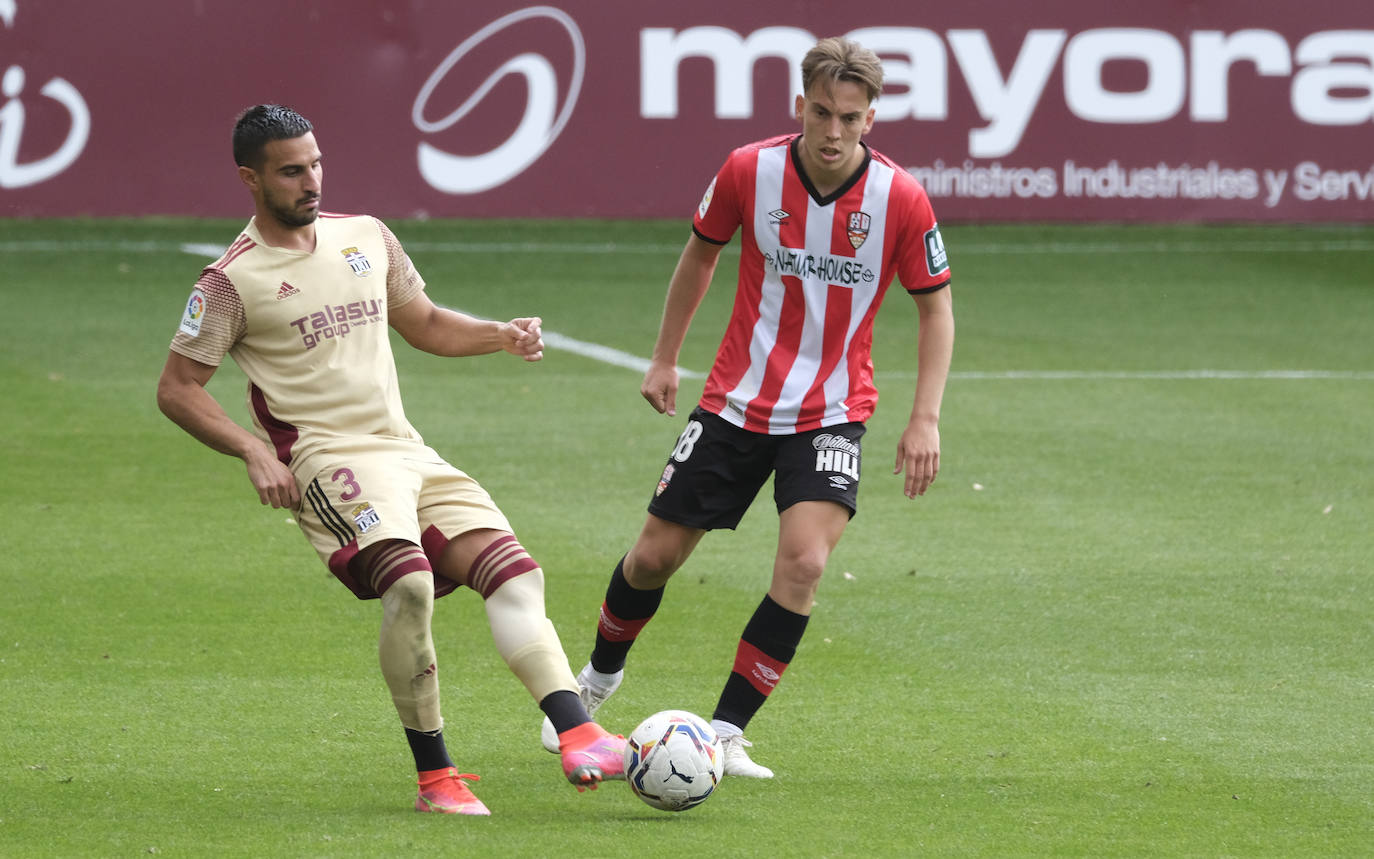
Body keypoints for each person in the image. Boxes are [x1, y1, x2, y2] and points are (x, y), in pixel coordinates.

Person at [156, 104, 624, 816]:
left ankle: (579, 731)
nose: (309, 180)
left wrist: (499, 335)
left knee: (517, 574)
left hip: (406, 449)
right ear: (250, 179)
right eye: (290, 170)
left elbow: (427, 323)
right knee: (409, 586)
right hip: (327, 458)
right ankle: (437, 777)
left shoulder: (366, 236)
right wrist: (253, 449)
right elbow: (177, 387)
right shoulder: (229, 281)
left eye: (314, 163)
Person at [540, 37, 955, 778]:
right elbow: (700, 253)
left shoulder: (900, 198)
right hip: (736, 399)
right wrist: (665, 356)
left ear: (872, 120)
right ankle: (597, 683)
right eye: (822, 112)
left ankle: (725, 733)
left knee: (804, 562)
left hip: (832, 409)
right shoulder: (749, 170)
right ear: (799, 105)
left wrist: (925, 417)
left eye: (851, 118)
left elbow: (936, 308)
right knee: (654, 557)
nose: (834, 132)